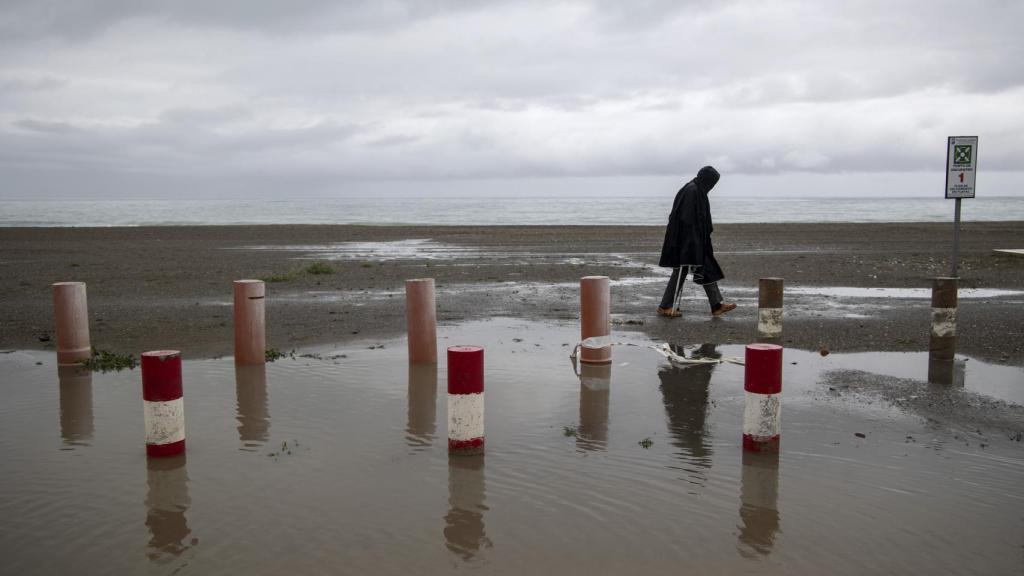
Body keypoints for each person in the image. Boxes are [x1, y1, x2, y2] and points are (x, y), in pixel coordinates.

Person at [657, 165, 737, 317]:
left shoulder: (695, 189)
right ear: (708, 181)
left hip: (694, 239)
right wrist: (691, 243)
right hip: (687, 240)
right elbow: (688, 220)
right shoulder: (693, 191)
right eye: (712, 183)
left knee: (705, 266)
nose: (712, 187)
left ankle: (716, 305)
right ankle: (665, 306)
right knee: (682, 269)